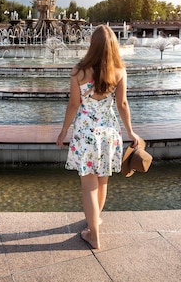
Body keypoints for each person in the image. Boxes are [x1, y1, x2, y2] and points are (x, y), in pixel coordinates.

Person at [56, 25, 142, 249]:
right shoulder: (119, 71)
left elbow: (74, 104)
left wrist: (64, 130)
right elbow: (122, 104)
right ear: (113, 45)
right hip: (109, 133)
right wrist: (131, 132)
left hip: (85, 133)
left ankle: (93, 234)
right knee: (102, 181)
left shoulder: (79, 71)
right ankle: (95, 221)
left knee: (88, 186)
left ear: (92, 45)